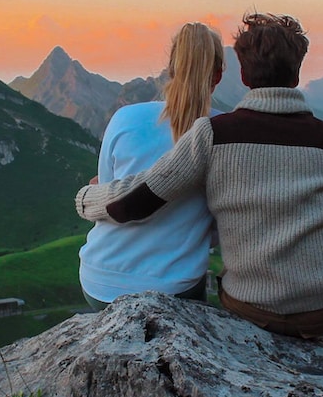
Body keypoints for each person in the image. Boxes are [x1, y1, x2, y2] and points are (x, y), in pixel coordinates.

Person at [74, 12, 323, 365]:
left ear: (245, 75)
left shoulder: (213, 134)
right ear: (297, 73)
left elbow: (139, 200)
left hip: (247, 305)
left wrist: (86, 196)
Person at [78, 23, 223, 310]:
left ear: (170, 68)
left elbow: (108, 192)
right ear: (218, 75)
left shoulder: (125, 118)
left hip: (100, 281)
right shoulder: (225, 131)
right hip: (174, 286)